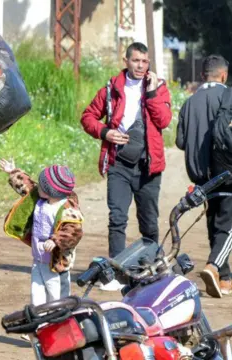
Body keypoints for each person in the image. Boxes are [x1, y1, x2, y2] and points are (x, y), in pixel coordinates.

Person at [80, 42, 171, 291]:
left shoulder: (159, 88)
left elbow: (163, 120)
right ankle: (117, 273)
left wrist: (151, 93)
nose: (141, 66)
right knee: (117, 218)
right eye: (136, 61)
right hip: (118, 164)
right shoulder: (111, 89)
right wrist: (105, 132)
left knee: (149, 221)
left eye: (145, 61)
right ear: (126, 60)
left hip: (148, 166)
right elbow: (87, 117)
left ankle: (152, 268)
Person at [176, 55, 232, 298]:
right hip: (230, 173)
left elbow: (179, 141)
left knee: (214, 222)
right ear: (224, 76)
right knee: (227, 228)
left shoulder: (189, 103)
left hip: (202, 178)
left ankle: (225, 278)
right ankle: (213, 266)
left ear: (202, 76)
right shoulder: (231, 96)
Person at [0, 160, 83, 305]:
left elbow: (73, 231)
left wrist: (56, 240)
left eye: (42, 185)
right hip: (38, 259)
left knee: (57, 299)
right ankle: (41, 323)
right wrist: (13, 172)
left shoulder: (67, 208)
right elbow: (27, 185)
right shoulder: (40, 198)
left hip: (56, 263)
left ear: (51, 191)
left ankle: (59, 323)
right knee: (36, 295)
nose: (38, 186)